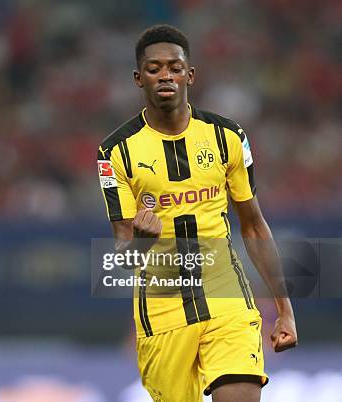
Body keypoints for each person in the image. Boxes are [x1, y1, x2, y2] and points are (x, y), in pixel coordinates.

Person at [97, 25, 297, 401]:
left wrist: (284, 309)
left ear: (190, 74)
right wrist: (141, 243)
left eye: (174, 67)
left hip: (227, 297)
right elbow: (123, 256)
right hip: (162, 312)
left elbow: (253, 226)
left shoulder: (227, 137)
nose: (165, 75)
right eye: (154, 69)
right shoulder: (115, 153)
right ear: (139, 79)